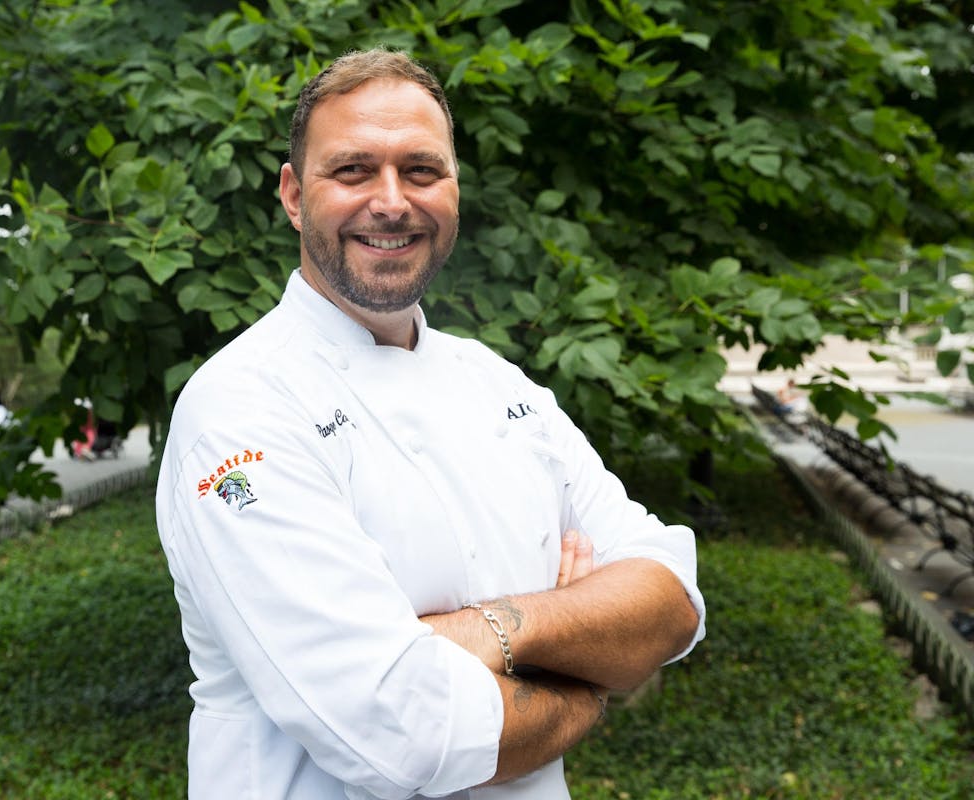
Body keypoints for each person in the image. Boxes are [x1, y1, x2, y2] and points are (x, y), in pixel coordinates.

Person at [155, 48, 705, 800]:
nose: (391, 201)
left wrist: (492, 631)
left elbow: (672, 599)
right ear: (292, 195)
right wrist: (593, 673)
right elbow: (405, 736)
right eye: (351, 171)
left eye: (421, 171)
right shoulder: (241, 408)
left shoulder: (497, 382)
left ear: (453, 189)